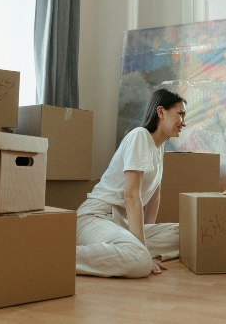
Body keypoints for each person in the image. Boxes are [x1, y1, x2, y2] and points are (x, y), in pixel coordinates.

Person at [76, 89, 186, 278]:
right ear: (161, 112)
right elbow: (131, 195)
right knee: (140, 261)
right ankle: (58, 256)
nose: (184, 122)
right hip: (98, 216)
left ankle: (133, 250)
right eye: (180, 114)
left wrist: (145, 237)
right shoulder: (140, 136)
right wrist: (143, 250)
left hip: (123, 222)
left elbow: (154, 198)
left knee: (187, 233)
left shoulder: (159, 148)